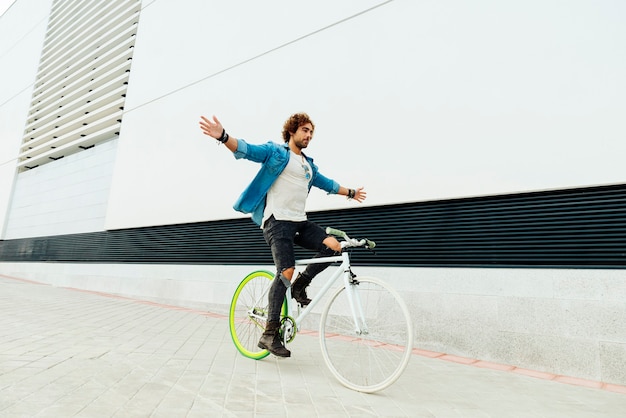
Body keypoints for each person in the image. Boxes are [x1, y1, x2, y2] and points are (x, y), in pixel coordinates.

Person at [199, 112, 366, 357]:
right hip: (277, 221)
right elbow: (248, 150)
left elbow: (328, 184)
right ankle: (269, 333)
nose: (308, 135)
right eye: (305, 130)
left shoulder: (308, 166)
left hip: (300, 222)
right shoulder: (276, 153)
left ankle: (300, 285)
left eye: (311, 132)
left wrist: (350, 192)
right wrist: (223, 137)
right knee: (285, 270)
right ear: (292, 131)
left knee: (334, 246)